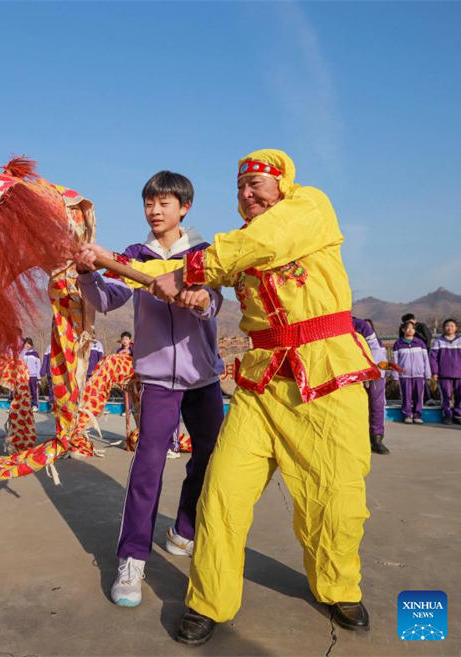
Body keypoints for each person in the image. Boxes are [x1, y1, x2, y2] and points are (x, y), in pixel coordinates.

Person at [145, 150, 380, 643]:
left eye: (256, 184)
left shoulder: (309, 208)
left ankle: (338, 587)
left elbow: (249, 249)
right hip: (259, 386)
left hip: (326, 379)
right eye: (239, 188)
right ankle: (209, 600)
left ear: (282, 184)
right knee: (222, 494)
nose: (246, 195)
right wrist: (100, 262)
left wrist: (190, 272)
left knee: (336, 497)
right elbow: (197, 275)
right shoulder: (240, 246)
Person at [75, 169, 225, 609]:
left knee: (209, 458)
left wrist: (200, 299)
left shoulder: (205, 254)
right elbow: (106, 299)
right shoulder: (133, 257)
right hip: (158, 381)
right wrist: (88, 273)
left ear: (185, 207)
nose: (155, 210)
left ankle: (184, 529)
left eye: (164, 203)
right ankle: (132, 559)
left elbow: (216, 301)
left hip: (205, 378)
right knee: (148, 467)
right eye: (149, 203)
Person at [352, 316, 390, 453]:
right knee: (351, 405)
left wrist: (368, 372)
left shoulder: (358, 324)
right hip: (347, 371)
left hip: (373, 371)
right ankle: (355, 438)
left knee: (376, 403)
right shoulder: (328, 321)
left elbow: (375, 350)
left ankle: (376, 438)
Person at [392, 321, 431, 424]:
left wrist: (427, 374)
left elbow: (426, 359)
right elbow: (395, 361)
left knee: (419, 396)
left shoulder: (420, 343)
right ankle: (407, 415)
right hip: (404, 375)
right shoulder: (398, 344)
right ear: (403, 330)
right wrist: (395, 375)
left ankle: (417, 415)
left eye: (412, 328)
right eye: (407, 328)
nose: (410, 330)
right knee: (406, 396)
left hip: (419, 375)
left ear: (415, 330)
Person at [430, 318, 461, 424]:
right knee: (446, 395)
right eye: (447, 326)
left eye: (452, 326)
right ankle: (447, 415)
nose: (449, 328)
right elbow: (433, 358)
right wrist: (435, 372)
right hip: (444, 374)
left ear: (456, 328)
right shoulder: (438, 341)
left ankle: (459, 415)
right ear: (444, 328)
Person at [20, 337, 42, 411]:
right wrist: (24, 350)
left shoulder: (35, 353)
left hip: (33, 376)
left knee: (34, 391)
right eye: (26, 343)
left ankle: (35, 405)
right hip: (25, 376)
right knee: (26, 391)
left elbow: (38, 365)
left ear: (31, 345)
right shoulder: (23, 353)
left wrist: (38, 377)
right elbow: (20, 360)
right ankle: (26, 405)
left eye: (29, 344)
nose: (27, 345)